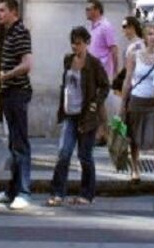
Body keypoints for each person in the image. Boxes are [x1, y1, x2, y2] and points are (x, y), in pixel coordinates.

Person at [47, 26, 109, 207]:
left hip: (86, 116)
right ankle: (58, 192)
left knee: (84, 155)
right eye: (73, 44)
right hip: (69, 113)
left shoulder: (93, 63)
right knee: (63, 153)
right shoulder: (68, 60)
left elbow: (105, 86)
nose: (75, 47)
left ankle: (87, 194)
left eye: (79, 44)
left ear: (87, 43)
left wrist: (95, 104)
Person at [0, 0, 34, 211]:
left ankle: (23, 192)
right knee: (13, 144)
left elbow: (27, 65)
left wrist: (6, 75)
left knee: (20, 144)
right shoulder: (9, 32)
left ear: (13, 12)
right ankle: (12, 190)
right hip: (9, 93)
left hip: (17, 92)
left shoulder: (21, 32)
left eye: (1, 10)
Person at [119, 23, 154, 197]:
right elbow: (128, 79)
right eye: (150, 34)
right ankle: (135, 169)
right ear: (145, 37)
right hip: (137, 100)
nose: (153, 37)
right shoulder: (134, 55)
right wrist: (123, 104)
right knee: (134, 138)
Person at [85, 0, 119, 144]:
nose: (86, 12)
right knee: (97, 102)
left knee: (98, 101)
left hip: (102, 71)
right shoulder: (93, 27)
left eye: (89, 9)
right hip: (93, 71)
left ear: (97, 10)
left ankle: (104, 132)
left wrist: (116, 73)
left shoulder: (105, 26)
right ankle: (103, 132)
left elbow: (114, 49)